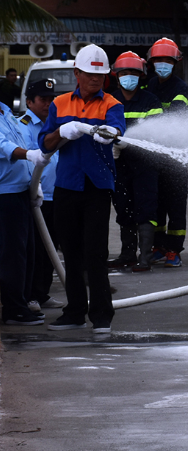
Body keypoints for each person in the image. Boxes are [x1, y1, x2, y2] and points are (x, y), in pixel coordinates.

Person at [39, 44, 126, 333]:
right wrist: (61, 131)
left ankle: (102, 316)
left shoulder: (112, 104)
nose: (95, 79)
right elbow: (45, 144)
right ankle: (75, 312)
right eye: (90, 74)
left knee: (95, 252)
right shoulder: (60, 103)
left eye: (100, 76)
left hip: (97, 187)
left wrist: (112, 134)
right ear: (77, 73)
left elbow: (117, 131)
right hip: (67, 185)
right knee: (71, 252)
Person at [108, 51, 164, 273]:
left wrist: (127, 143)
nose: (129, 76)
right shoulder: (110, 101)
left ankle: (145, 257)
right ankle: (127, 254)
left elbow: (159, 133)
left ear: (141, 76)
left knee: (146, 208)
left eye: (133, 72)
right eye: (125, 72)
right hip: (118, 166)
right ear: (117, 75)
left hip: (145, 165)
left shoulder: (151, 101)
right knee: (123, 209)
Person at [0, 89, 48, 326]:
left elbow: (18, 139)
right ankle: (13, 309)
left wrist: (32, 182)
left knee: (26, 253)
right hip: (5, 194)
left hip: (20, 192)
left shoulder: (6, 112)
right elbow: (4, 146)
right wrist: (29, 155)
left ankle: (22, 301)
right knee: (12, 255)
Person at [18, 79, 64, 312]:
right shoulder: (22, 126)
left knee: (51, 248)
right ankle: (30, 296)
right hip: (36, 198)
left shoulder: (57, 123)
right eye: (42, 100)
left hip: (57, 195)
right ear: (29, 102)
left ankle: (42, 293)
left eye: (50, 99)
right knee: (33, 249)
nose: (48, 104)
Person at [144, 38, 188, 268]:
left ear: (175, 62)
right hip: (154, 156)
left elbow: (177, 117)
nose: (162, 64)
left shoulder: (180, 88)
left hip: (176, 156)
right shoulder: (150, 85)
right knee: (157, 204)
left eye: (167, 60)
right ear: (151, 63)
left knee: (176, 205)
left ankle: (174, 250)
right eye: (158, 60)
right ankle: (159, 247)